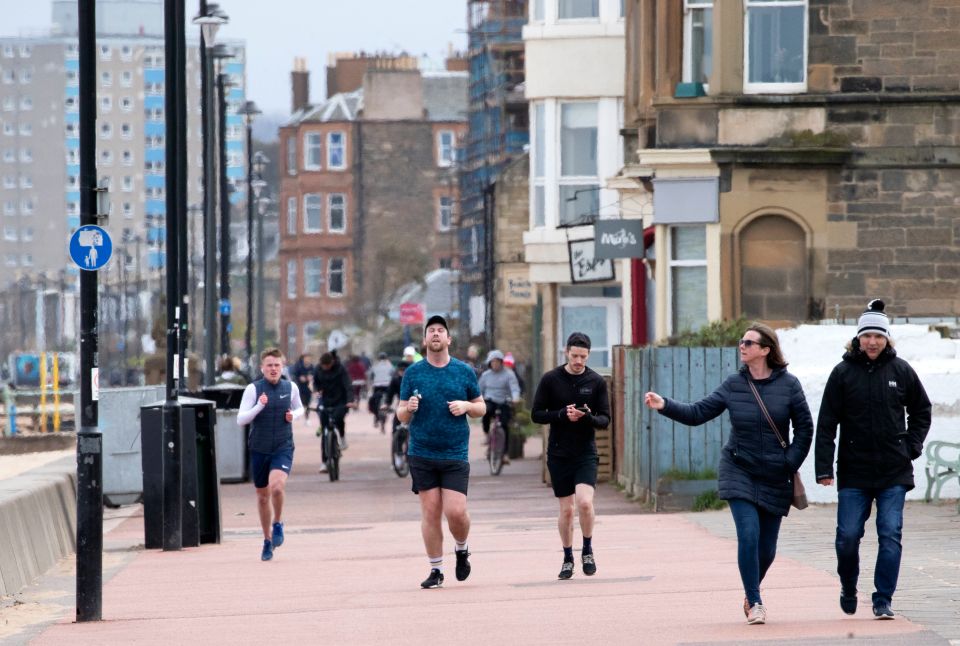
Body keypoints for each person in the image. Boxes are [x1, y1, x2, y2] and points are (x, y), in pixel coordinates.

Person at [644, 323, 813, 625]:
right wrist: (664, 405)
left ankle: (751, 591)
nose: (742, 346)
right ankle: (757, 601)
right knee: (748, 535)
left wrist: (789, 462)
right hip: (739, 469)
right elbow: (698, 413)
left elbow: (805, 429)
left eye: (749, 342)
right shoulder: (734, 384)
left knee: (768, 550)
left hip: (776, 473)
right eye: (741, 342)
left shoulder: (789, 385)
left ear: (766, 350)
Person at [815, 299, 931, 620]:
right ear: (858, 338)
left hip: (894, 470)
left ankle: (883, 599)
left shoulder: (901, 371)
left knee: (890, 532)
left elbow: (921, 411)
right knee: (848, 537)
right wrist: (824, 468)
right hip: (854, 472)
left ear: (887, 338)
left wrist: (911, 446)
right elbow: (826, 424)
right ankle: (848, 585)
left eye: (878, 336)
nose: (872, 342)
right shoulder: (842, 374)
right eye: (867, 336)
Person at [397, 315, 485, 589]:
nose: (436, 334)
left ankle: (462, 548)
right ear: (425, 340)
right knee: (431, 512)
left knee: (455, 512)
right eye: (431, 331)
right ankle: (436, 570)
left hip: (455, 452)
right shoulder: (413, 373)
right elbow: (401, 415)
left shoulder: (464, 371)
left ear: (448, 339)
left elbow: (481, 407)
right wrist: (408, 408)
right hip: (422, 452)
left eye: (440, 331)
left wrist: (466, 406)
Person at [532, 332, 611, 582]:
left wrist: (587, 417)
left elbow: (605, 420)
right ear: (566, 352)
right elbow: (536, 414)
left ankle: (587, 549)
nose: (578, 361)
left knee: (585, 503)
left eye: (583, 357)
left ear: (589, 355)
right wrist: (560, 415)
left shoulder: (596, 382)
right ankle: (568, 557)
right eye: (575, 356)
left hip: (585, 452)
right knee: (566, 510)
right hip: (558, 452)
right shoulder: (550, 379)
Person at [236, 349, 304, 561]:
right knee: (262, 496)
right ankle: (266, 540)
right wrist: (259, 406)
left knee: (277, 487)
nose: (273, 369)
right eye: (269, 365)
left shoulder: (290, 387)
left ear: (282, 367)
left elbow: (301, 408)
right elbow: (241, 419)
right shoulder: (253, 389)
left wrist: (293, 415)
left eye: (277, 365)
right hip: (259, 448)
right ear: (262, 368)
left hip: (283, 446)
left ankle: (278, 523)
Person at [478, 349, 520, 465]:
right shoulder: (486, 375)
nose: (495, 364)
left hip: (504, 401)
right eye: (493, 362)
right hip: (490, 399)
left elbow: (514, 388)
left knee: (505, 425)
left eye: (497, 361)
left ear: (501, 362)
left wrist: (515, 398)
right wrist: (478, 399)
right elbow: (479, 389)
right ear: (489, 363)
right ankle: (487, 434)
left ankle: (505, 454)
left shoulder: (509, 374)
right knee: (486, 412)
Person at [312, 351, 354, 465]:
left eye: (327, 366)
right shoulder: (318, 369)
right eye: (323, 366)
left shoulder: (340, 369)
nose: (325, 368)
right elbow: (315, 383)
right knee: (325, 429)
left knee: (339, 418)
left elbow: (348, 385)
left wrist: (350, 400)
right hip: (326, 400)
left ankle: (342, 437)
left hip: (340, 399)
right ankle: (324, 462)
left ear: (332, 362)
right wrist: (317, 390)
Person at [368, 352, 395, 424]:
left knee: (373, 399)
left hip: (377, 386)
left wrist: (371, 382)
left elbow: (371, 375)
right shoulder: (390, 365)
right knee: (389, 397)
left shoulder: (375, 365)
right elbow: (393, 374)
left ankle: (374, 412)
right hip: (387, 385)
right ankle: (388, 406)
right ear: (386, 358)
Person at [290, 354, 314, 421]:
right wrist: (299, 378)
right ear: (303, 359)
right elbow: (294, 375)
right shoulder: (299, 366)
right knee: (301, 403)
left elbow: (314, 375)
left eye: (309, 358)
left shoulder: (312, 367)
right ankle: (298, 415)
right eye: (306, 358)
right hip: (300, 388)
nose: (308, 360)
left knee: (308, 403)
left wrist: (311, 378)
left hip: (308, 388)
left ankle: (307, 418)